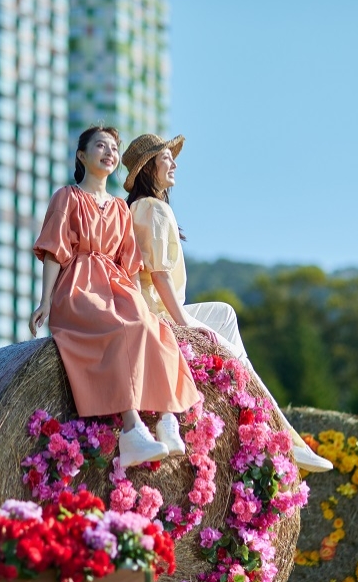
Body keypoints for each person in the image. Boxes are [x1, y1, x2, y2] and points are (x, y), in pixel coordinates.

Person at [122, 133, 333, 472]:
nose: (174, 164)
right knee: (232, 352)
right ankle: (288, 439)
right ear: (148, 167)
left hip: (159, 306)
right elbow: (159, 276)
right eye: (166, 158)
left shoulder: (142, 207)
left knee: (224, 315)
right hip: (158, 311)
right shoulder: (152, 208)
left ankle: (287, 434)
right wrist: (185, 325)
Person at [29, 126, 202, 468]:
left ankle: (167, 418)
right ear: (82, 155)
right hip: (79, 286)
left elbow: (130, 263)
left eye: (113, 148)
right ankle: (131, 429)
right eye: (100, 146)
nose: (109, 152)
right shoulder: (66, 197)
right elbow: (53, 251)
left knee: (151, 327)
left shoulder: (121, 209)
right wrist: (45, 301)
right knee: (121, 328)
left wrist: (139, 306)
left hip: (116, 283)